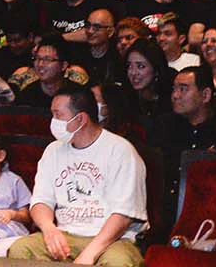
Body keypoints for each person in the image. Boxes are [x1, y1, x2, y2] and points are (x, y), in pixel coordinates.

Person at [8, 86, 148, 267]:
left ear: (81, 119)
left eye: (58, 115)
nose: (53, 121)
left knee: (118, 261)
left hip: (113, 239)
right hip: (66, 234)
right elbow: (40, 201)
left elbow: (123, 215)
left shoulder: (120, 151)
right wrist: (49, 229)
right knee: (21, 249)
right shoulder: (53, 151)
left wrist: (89, 254)